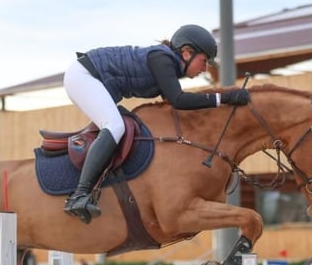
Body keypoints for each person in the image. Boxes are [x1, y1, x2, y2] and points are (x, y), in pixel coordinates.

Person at [62, 24, 251, 224]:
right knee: (115, 126)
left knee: (122, 126)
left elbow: (175, 104)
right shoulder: (161, 59)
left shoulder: (167, 64)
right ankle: (79, 196)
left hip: (90, 78)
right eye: (204, 61)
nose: (204, 69)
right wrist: (225, 98)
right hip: (83, 76)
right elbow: (179, 100)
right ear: (187, 53)